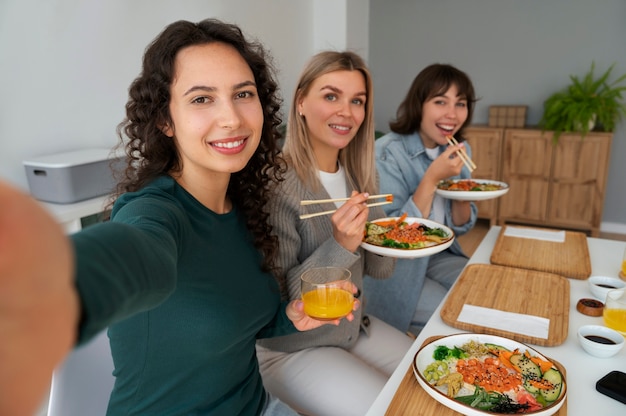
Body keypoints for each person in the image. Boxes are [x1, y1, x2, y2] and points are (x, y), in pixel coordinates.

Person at [0, 19, 358, 416]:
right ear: (164, 120)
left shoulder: (243, 205)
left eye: (243, 94)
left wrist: (289, 318)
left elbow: (244, 320)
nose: (232, 119)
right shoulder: (153, 212)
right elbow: (135, 253)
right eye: (201, 99)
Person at [256, 51, 413, 416]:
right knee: (394, 409)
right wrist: (340, 244)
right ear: (301, 103)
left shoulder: (359, 174)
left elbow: (381, 269)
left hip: (351, 327)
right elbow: (279, 299)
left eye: (357, 101)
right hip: (292, 347)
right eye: (331, 96)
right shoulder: (277, 185)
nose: (347, 112)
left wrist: (391, 233)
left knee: (430, 378)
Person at [364, 63, 479, 336]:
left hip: (440, 255)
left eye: (460, 104)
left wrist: (462, 192)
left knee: (486, 290)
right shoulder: (387, 153)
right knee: (460, 315)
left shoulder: (460, 151)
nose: (452, 114)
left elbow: (461, 226)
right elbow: (393, 236)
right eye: (440, 101)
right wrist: (431, 179)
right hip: (398, 269)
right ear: (420, 105)